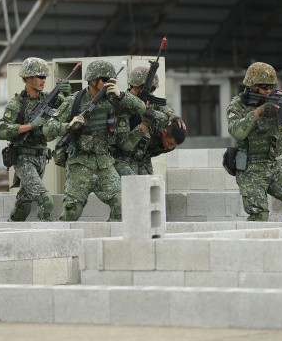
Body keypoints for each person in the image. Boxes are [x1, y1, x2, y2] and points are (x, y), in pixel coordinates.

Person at [43, 60, 145, 221]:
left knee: (121, 204)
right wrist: (68, 125)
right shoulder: (74, 101)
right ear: (92, 80)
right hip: (80, 163)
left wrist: (121, 95)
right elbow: (48, 128)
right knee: (72, 210)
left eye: (111, 80)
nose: (108, 84)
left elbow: (141, 108)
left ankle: (111, 242)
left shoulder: (115, 101)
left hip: (104, 162)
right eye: (105, 80)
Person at [226, 62, 282, 222]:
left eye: (271, 86)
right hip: (251, 168)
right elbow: (236, 132)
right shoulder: (237, 105)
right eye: (264, 87)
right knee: (259, 215)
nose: (269, 91)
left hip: (274, 165)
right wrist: (259, 112)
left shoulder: (275, 98)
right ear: (252, 86)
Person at [0, 57, 62, 222]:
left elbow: (69, 108)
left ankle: (10, 229)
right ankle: (43, 239)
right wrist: (30, 126)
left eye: (44, 77)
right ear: (27, 78)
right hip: (23, 159)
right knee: (45, 200)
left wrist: (66, 95)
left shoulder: (48, 99)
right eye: (39, 77)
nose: (43, 80)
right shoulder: (17, 104)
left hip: (41, 158)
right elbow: (1, 130)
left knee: (24, 205)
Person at [111, 65, 185, 176]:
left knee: (149, 185)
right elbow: (125, 145)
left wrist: (172, 115)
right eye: (142, 88)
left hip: (140, 157)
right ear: (134, 85)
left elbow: (162, 106)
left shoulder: (148, 101)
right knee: (133, 183)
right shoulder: (121, 103)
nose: (147, 93)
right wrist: (144, 124)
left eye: (151, 89)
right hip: (121, 154)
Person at [115, 108, 186, 176]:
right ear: (164, 132)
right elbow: (156, 105)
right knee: (132, 179)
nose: (171, 147)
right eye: (170, 144)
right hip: (125, 152)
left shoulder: (171, 146)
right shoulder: (156, 118)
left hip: (143, 157)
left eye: (174, 145)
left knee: (150, 183)